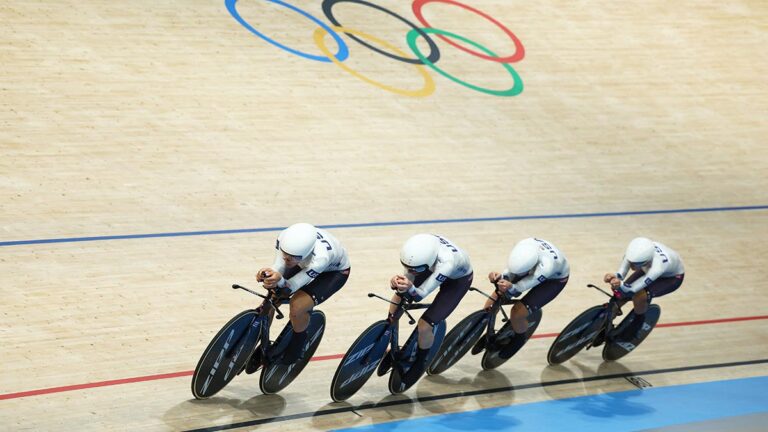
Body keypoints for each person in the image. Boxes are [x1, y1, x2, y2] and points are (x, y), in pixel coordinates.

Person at [246, 222, 350, 372]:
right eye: (285, 254)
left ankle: (297, 346)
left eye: (291, 258)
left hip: (334, 273)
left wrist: (280, 280)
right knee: (272, 296)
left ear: (306, 253)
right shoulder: (284, 238)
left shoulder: (321, 258)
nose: (286, 259)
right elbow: (279, 266)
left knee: (297, 306)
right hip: (303, 262)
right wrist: (269, 273)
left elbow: (291, 286)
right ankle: (257, 338)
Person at [386, 233, 473, 386]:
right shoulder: (419, 251)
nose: (410, 270)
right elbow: (410, 274)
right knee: (400, 295)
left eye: (415, 269)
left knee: (425, 325)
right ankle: (388, 330)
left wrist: (410, 287)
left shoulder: (447, 262)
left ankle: (420, 361)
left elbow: (420, 295)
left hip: (457, 282)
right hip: (430, 267)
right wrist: (399, 283)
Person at [478, 238, 570, 359]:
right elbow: (512, 272)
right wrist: (501, 277)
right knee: (496, 297)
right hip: (534, 266)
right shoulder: (524, 246)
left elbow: (522, 286)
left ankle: (519, 339)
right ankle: (488, 331)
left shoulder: (547, 266)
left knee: (517, 312)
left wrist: (511, 286)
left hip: (553, 280)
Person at [604, 237, 684, 339]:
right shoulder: (635, 253)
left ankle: (637, 324)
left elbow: (632, 289)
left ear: (647, 260)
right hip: (647, 268)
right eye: (631, 262)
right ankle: (604, 322)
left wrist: (621, 285)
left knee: (639, 296)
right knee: (619, 297)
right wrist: (614, 277)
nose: (632, 266)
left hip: (670, 278)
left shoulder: (658, 266)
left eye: (635, 264)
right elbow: (621, 272)